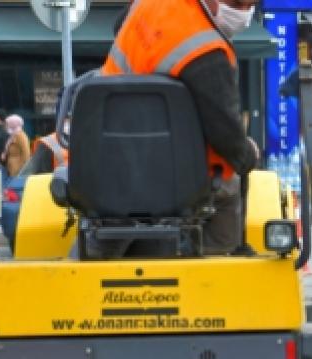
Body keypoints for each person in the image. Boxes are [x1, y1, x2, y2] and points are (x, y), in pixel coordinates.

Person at [101, 0, 259, 256]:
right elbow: (227, 137)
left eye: (249, 5)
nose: (242, 14)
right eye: (235, 4)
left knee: (101, 244)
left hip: (111, 167)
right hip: (169, 181)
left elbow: (119, 26)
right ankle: (214, 259)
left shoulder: (148, 5)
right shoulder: (206, 52)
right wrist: (249, 154)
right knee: (232, 184)